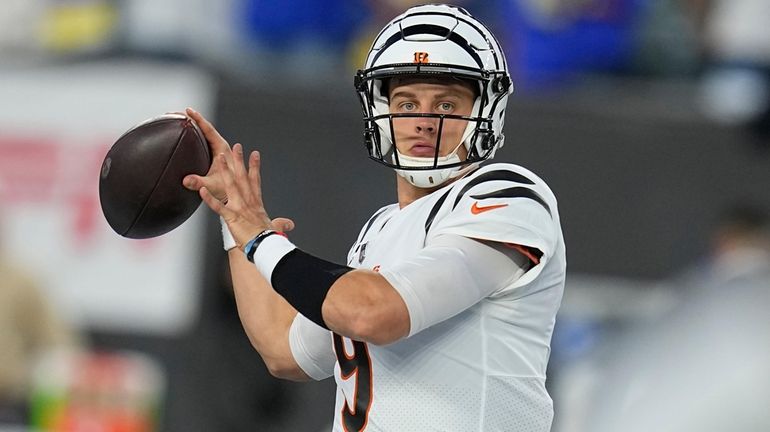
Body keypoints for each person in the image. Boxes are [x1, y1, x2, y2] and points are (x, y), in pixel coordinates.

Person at [182, 4, 566, 431]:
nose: (423, 122)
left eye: (445, 105)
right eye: (406, 103)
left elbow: (373, 313)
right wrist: (238, 223)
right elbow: (283, 349)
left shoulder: (509, 194)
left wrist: (262, 242)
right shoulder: (379, 230)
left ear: (486, 111)